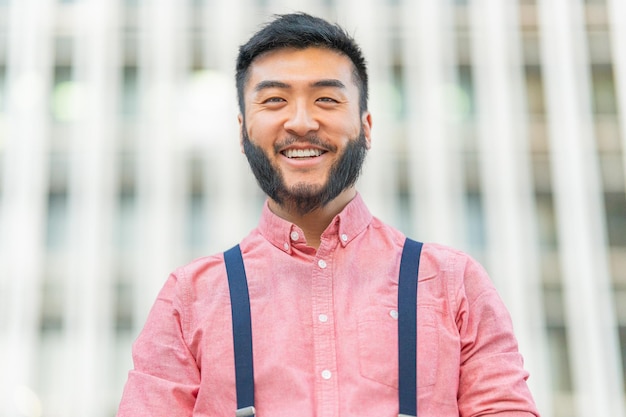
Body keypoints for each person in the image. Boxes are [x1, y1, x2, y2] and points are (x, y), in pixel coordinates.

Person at [117, 12, 540, 417]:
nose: (301, 122)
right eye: (275, 100)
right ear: (242, 132)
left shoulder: (453, 284)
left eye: (326, 99)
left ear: (366, 126)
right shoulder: (188, 297)